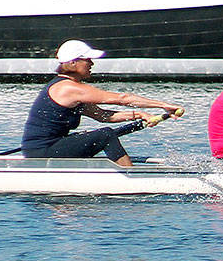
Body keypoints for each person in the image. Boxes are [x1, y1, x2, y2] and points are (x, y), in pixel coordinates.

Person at [21, 39, 184, 166]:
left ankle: (121, 172)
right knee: (105, 134)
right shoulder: (68, 88)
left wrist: (140, 114)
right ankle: (130, 176)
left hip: (46, 147)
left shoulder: (70, 89)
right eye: (88, 60)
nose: (92, 63)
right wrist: (163, 105)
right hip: (42, 151)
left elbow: (104, 116)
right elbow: (122, 99)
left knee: (100, 133)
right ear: (72, 63)